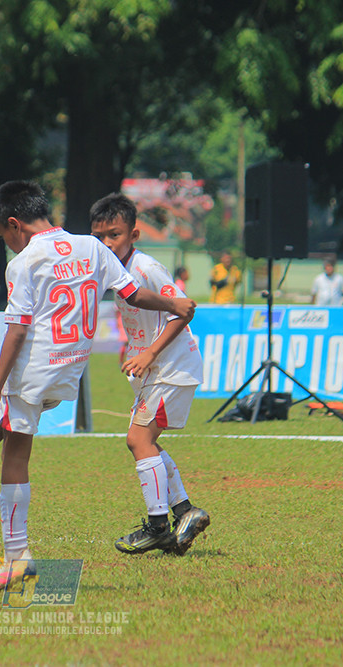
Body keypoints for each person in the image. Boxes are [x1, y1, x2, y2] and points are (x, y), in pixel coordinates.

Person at [0, 181, 195, 591]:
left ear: (14, 224)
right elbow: (131, 294)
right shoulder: (91, 247)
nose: (7, 244)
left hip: (32, 370)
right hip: (69, 369)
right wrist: (172, 304)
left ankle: (16, 558)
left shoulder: (24, 263)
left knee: (14, 452)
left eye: (4, 237)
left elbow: (19, 328)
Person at [90, 193, 210, 556]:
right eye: (99, 237)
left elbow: (183, 311)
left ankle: (158, 526)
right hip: (155, 368)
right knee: (148, 444)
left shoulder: (145, 268)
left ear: (134, 235)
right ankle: (186, 513)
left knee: (138, 440)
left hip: (172, 365)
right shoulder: (114, 271)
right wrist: (134, 348)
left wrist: (149, 352)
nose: (106, 243)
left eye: (114, 235)